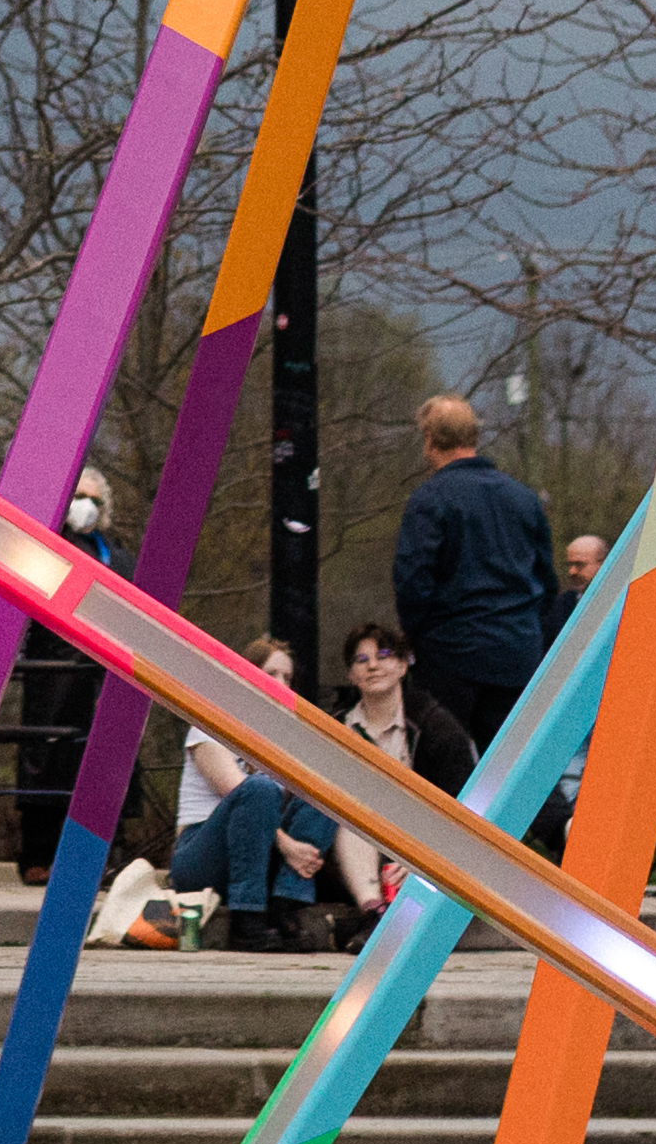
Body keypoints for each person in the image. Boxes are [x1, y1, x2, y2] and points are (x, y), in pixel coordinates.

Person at [384, 394, 560, 752]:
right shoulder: (523, 499)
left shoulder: (429, 500)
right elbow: (546, 581)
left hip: (449, 656)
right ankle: (550, 812)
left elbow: (413, 583)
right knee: (514, 763)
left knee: (440, 763)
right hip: (517, 655)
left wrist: (415, 637)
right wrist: (524, 629)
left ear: (430, 439)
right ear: (473, 437)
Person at [158, 638, 341, 949]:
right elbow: (242, 793)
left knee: (327, 787)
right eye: (271, 674)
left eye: (287, 677)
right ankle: (247, 921)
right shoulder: (211, 723)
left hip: (257, 856)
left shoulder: (284, 739)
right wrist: (288, 846)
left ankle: (286, 906)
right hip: (200, 857)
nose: (281, 684)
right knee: (258, 788)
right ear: (244, 676)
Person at [321, 622, 464, 927]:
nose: (373, 665)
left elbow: (459, 802)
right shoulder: (333, 728)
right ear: (350, 675)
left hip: (422, 845)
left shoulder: (436, 725)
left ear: (402, 666)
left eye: (383, 655)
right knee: (355, 825)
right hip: (344, 853)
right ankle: (373, 913)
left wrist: (422, 856)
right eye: (361, 660)